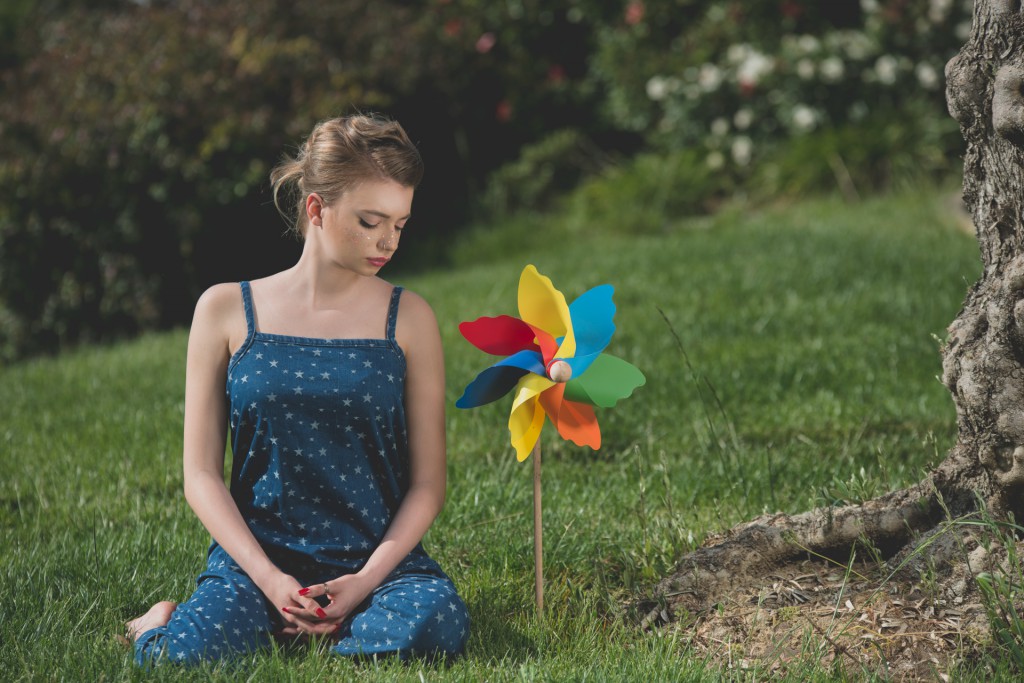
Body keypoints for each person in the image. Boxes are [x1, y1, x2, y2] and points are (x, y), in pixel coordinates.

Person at [125, 114, 469, 665]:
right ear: (316, 209)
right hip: (258, 562)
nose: (388, 241)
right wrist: (267, 578)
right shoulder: (224, 309)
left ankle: (336, 621)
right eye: (371, 221)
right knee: (180, 661)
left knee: (435, 626)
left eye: (400, 225)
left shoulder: (410, 319)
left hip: (376, 568)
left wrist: (361, 582)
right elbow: (200, 474)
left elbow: (428, 485)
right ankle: (156, 622)